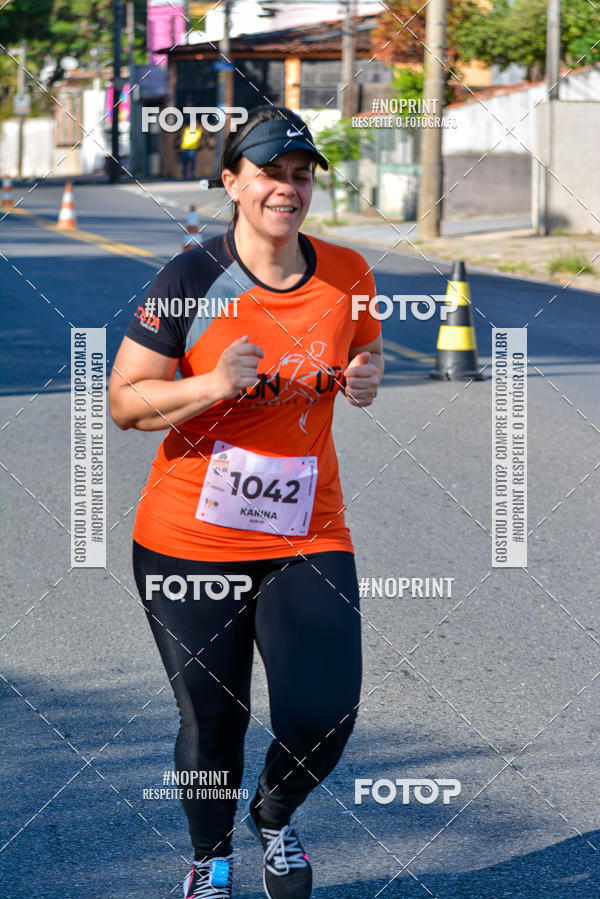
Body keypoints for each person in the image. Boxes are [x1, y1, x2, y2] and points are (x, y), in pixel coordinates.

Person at [109, 105, 383, 899]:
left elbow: (358, 353)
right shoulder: (191, 277)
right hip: (187, 540)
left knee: (324, 711)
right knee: (213, 715)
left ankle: (276, 810)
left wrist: (366, 378)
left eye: (301, 176)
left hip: (307, 529)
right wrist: (213, 383)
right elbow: (126, 403)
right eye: (270, 173)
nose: (287, 190)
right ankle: (209, 859)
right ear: (232, 182)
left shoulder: (348, 273)